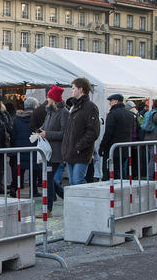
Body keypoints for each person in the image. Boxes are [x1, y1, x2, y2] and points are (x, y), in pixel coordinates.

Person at [60, 77, 99, 187]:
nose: (71, 90)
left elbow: (93, 131)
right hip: (71, 150)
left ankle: (88, 202)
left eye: (73, 88)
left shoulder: (90, 107)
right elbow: (69, 130)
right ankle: (78, 203)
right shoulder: (74, 107)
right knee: (73, 183)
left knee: (78, 181)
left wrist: (79, 146)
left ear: (81, 89)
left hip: (81, 151)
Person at [36, 85, 68, 215]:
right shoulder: (50, 112)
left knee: (48, 180)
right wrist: (39, 131)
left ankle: (48, 209)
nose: (47, 99)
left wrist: (47, 134)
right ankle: (68, 198)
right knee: (49, 180)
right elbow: (44, 127)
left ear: (54, 99)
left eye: (49, 97)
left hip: (56, 152)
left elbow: (64, 133)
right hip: (48, 152)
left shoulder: (64, 113)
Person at [99, 93, 135, 178]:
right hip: (125, 146)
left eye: (111, 101)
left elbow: (108, 133)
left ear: (116, 101)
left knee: (114, 170)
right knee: (121, 168)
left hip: (113, 147)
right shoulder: (130, 114)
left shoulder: (113, 114)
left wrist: (102, 146)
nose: (109, 103)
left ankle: (115, 188)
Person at [11, 97, 38, 196]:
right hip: (33, 147)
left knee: (19, 170)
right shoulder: (37, 119)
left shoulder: (17, 119)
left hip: (20, 148)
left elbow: (13, 134)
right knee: (34, 171)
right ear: (35, 106)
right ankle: (33, 191)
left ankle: (14, 188)